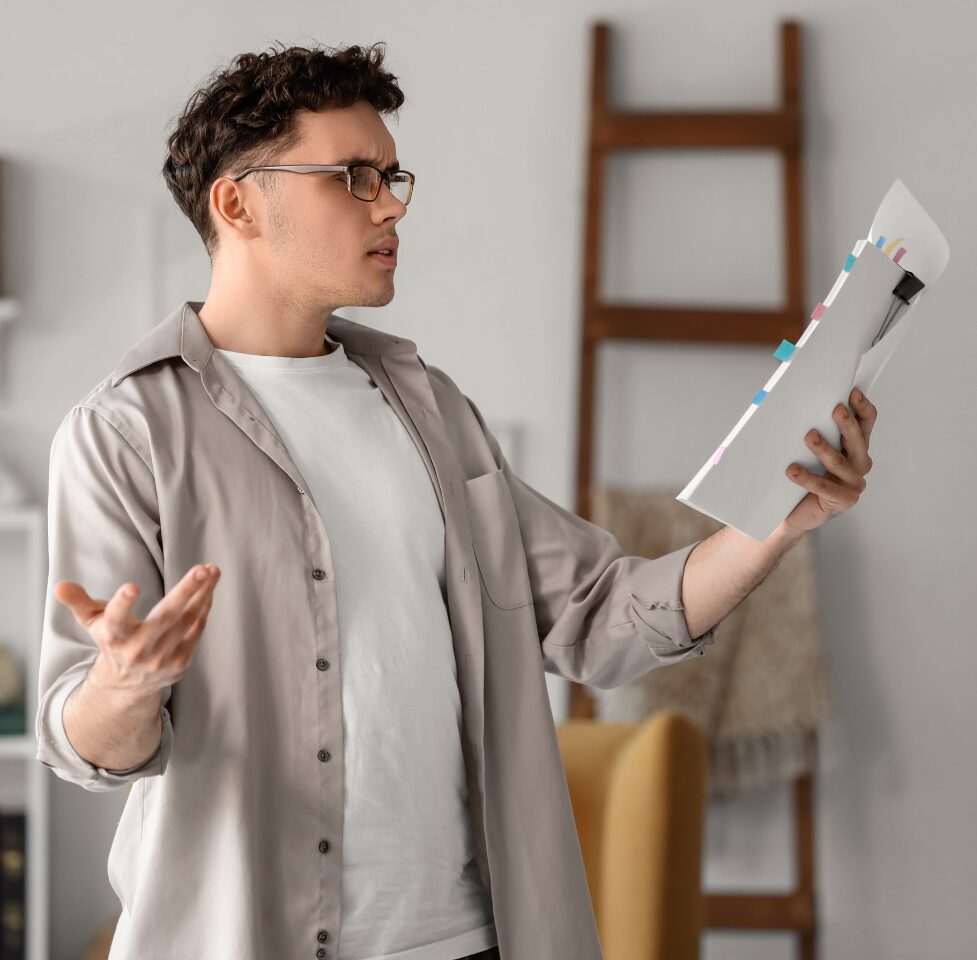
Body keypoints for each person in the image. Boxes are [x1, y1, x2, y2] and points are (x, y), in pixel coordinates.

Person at [34, 40, 877, 960]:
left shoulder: (429, 407)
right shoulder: (124, 430)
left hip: (470, 942)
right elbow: (84, 741)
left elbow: (600, 614)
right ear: (237, 202)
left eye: (391, 175)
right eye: (351, 177)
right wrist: (126, 685)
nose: (391, 202)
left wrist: (778, 519)